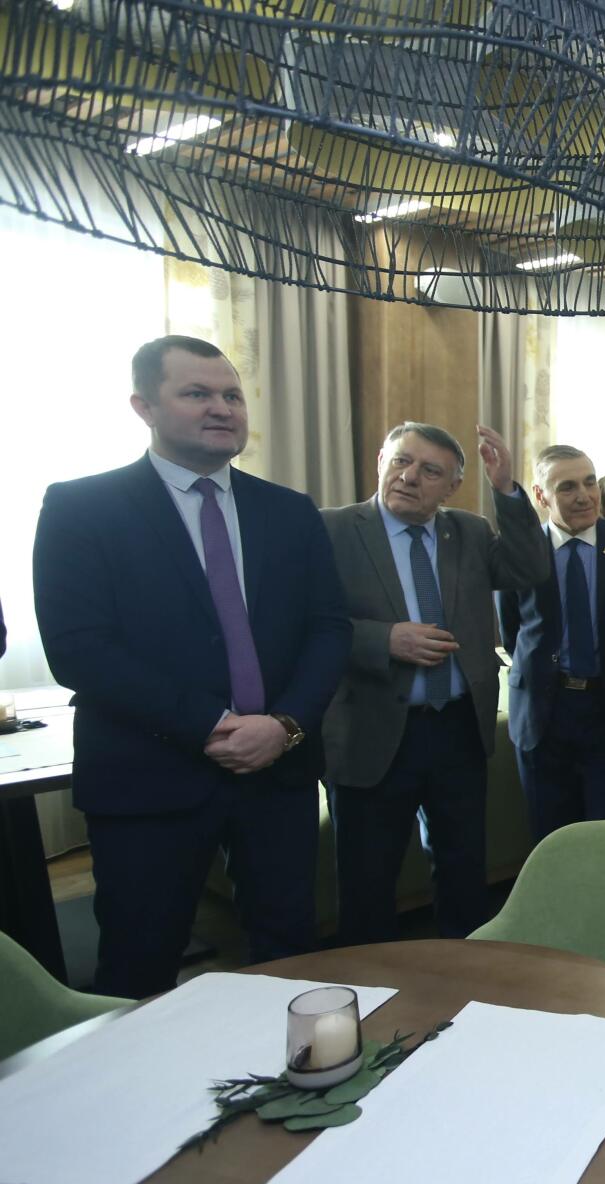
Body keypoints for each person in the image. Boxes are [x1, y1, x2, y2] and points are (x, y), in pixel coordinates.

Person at [32, 335, 350, 997]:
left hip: (277, 774)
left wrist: (285, 726)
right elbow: (78, 648)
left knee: (291, 956)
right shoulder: (81, 508)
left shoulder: (289, 511)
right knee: (139, 968)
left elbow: (328, 630)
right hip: (149, 775)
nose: (222, 408)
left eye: (232, 395)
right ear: (144, 407)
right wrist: (212, 723)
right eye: (197, 393)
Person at [320, 422, 550, 945]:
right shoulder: (333, 529)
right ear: (381, 460)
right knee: (367, 881)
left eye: (429, 471)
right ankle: (370, 983)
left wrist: (506, 490)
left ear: (451, 487)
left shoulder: (468, 531)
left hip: (456, 730)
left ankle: (459, 977)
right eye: (401, 461)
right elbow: (304, 624)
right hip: (372, 731)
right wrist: (383, 639)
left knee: (463, 873)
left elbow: (529, 568)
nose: (409, 477)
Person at [498, 445, 605, 844]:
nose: (584, 495)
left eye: (589, 483)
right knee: (551, 840)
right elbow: (513, 631)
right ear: (541, 495)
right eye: (567, 487)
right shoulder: (521, 550)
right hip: (543, 713)